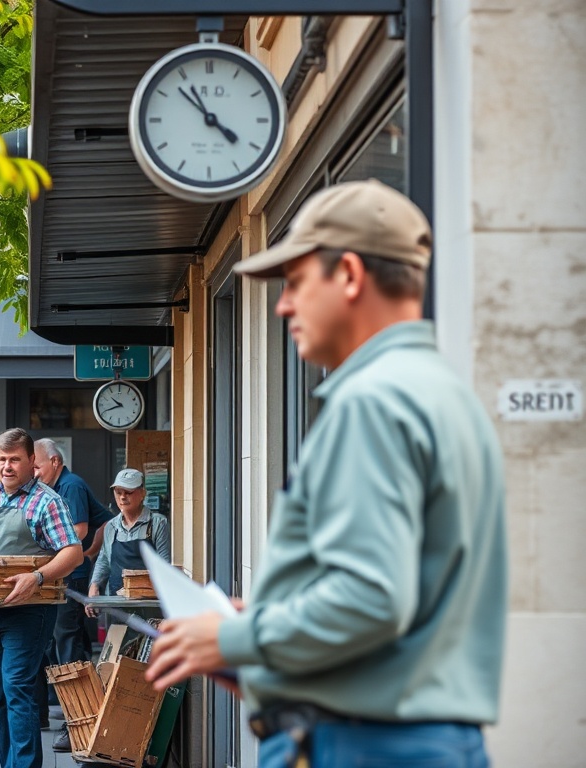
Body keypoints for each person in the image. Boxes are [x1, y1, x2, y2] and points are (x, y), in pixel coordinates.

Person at [145, 180, 508, 767]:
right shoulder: (442, 396)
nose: (284, 304)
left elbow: (369, 597)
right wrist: (266, 626)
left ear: (349, 277)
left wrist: (232, 637)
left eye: (295, 282)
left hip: (358, 743)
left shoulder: (372, 401)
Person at [0, 427, 83, 768]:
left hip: (29, 611)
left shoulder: (47, 501)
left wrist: (37, 577)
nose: (7, 466)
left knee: (17, 690)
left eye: (14, 460)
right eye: (1, 459)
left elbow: (74, 553)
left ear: (30, 462)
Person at [32, 438, 113, 753]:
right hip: (56, 578)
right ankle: (37, 713)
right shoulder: (49, 488)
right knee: (46, 644)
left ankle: (77, 721)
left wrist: (89, 554)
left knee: (69, 646)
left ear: (54, 462)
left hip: (71, 579)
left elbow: (78, 530)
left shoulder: (71, 486)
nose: (34, 473)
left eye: (37, 466)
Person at [87, 468, 171, 608]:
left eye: (128, 492)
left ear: (142, 493)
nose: (122, 497)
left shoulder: (157, 523)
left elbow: (164, 565)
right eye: (118, 492)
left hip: (148, 603)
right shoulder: (111, 527)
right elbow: (104, 560)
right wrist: (94, 585)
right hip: (115, 602)